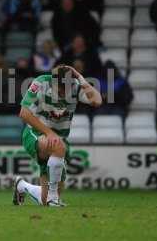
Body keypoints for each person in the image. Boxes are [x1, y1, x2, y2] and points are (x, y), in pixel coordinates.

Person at [14, 65, 102, 207]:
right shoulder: (40, 82)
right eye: (59, 88)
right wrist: (49, 133)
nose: (62, 92)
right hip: (35, 133)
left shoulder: (76, 87)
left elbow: (97, 101)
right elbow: (24, 113)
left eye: (65, 88)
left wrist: (81, 78)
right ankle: (53, 199)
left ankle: (22, 186)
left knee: (43, 199)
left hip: (58, 139)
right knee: (58, 146)